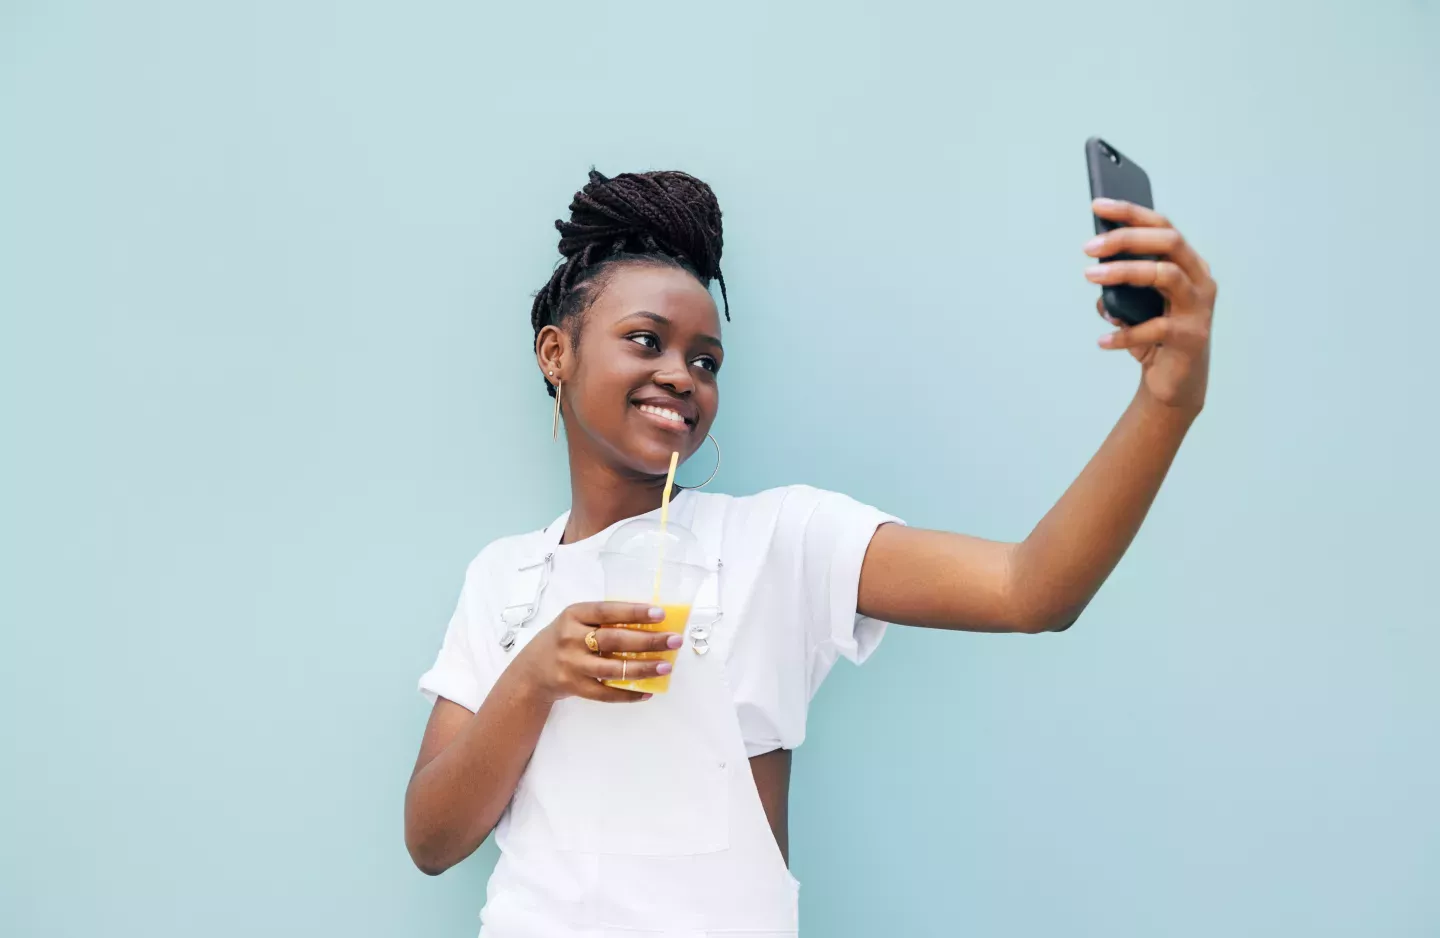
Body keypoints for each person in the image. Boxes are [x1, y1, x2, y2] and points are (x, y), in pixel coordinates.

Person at [405, 169, 1217, 936]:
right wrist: (538, 673)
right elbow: (432, 842)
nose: (681, 376)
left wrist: (1168, 400)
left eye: (705, 361)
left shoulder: (780, 542)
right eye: (645, 340)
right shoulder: (504, 580)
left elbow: (1031, 589)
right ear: (557, 354)